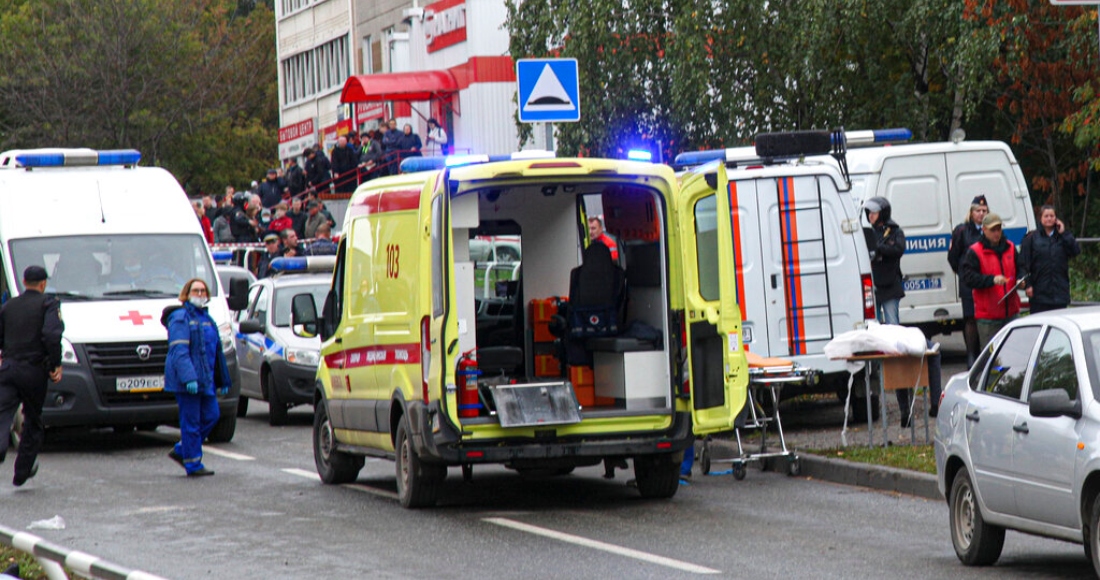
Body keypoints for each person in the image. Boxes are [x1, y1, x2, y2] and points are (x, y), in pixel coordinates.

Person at [0, 266, 64, 486]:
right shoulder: (48, 304)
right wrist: (55, 363)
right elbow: (51, 335)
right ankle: (23, 470)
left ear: (24, 281)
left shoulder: (8, 306)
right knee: (33, 419)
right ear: (43, 284)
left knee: (3, 412)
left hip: (8, 367)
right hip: (34, 370)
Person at [161, 278, 230, 477]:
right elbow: (179, 351)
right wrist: (188, 378)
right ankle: (192, 464)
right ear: (187, 293)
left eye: (203, 291)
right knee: (191, 422)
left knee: (212, 415)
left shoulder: (207, 319)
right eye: (196, 291)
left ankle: (184, 450)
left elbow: (216, 353)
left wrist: (223, 379)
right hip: (188, 382)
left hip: (205, 379)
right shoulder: (180, 317)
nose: (200, 294)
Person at [863, 196, 914, 426]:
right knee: (874, 338)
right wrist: (879, 251)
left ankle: (906, 406)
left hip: (890, 288)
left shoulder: (894, 230)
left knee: (894, 337)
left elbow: (898, 249)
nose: (871, 216)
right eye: (869, 213)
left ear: (882, 213)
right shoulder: (866, 232)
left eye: (874, 212)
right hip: (873, 289)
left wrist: (879, 249)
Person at [961, 212, 1021, 351]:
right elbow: (969, 278)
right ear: (984, 230)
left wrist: (1021, 280)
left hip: (1011, 312)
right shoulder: (974, 251)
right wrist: (991, 280)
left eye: (999, 229)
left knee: (1014, 353)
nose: (996, 233)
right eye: (993, 230)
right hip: (988, 316)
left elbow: (1021, 267)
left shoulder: (1010, 247)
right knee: (993, 357)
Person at [947, 195, 989, 366]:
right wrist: (964, 274)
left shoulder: (991, 229)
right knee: (970, 319)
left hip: (986, 281)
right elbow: (953, 257)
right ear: (971, 213)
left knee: (986, 319)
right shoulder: (962, 231)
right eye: (977, 211)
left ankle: (986, 357)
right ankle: (971, 355)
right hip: (969, 282)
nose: (981, 214)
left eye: (984, 211)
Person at [1019, 205, 1081, 314]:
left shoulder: (1062, 237)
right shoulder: (1031, 238)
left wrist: (1064, 233)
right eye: (1046, 216)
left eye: (1052, 216)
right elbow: (1023, 263)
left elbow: (1075, 251)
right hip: (1039, 292)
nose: (1049, 219)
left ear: (1056, 218)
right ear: (1040, 218)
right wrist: (1028, 285)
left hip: (1059, 292)